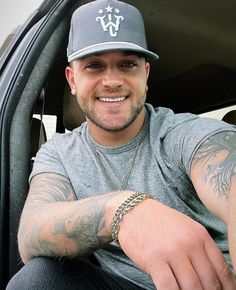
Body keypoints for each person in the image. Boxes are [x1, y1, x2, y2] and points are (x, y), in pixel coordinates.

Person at [6, 0, 236, 289]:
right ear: (72, 79)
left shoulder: (183, 134)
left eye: (127, 64)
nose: (112, 81)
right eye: (94, 66)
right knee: (37, 278)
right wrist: (121, 211)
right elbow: (30, 234)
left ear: (146, 74)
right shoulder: (60, 152)